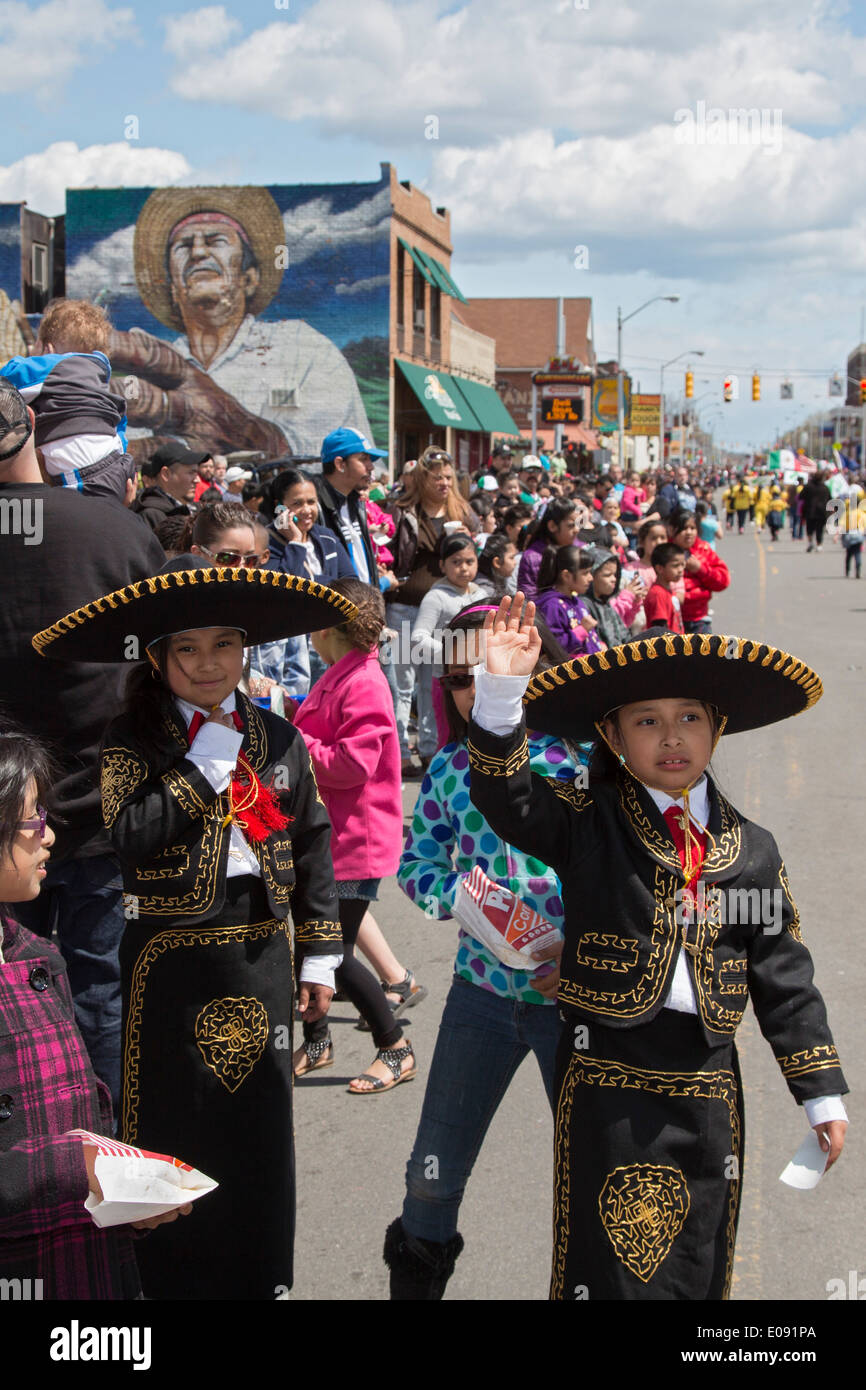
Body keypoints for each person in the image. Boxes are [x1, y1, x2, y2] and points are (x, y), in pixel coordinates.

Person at [468, 598, 847, 1301]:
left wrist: (818, 1091)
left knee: (698, 1256)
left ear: (717, 728)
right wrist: (498, 695)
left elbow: (782, 974)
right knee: (606, 1264)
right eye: (647, 721)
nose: (671, 737)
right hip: (607, 1074)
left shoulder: (750, 850)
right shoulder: (589, 822)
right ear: (612, 735)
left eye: (689, 718)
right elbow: (509, 798)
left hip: (708, 1082)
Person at [33, 556, 350, 1300]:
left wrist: (320, 959)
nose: (209, 665)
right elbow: (132, 834)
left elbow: (311, 843)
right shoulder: (127, 740)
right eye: (187, 649)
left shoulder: (279, 738)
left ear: (246, 651)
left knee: (259, 1132)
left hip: (262, 955)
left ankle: (261, 1280)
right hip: (167, 966)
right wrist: (204, 761)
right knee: (179, 1125)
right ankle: (165, 1285)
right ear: (158, 659)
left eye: (224, 646)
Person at [385, 605, 580, 1298]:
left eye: (487, 673)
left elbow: (624, 872)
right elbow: (417, 867)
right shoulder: (445, 769)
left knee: (595, 1171)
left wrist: (581, 950)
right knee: (431, 1173)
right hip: (482, 998)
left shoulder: (581, 757)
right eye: (460, 678)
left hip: (576, 1002)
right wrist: (464, 901)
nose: (474, 690)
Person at [0, 384, 164, 1113]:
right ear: (31, 425)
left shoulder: (112, 531)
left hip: (29, 812)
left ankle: (39, 1146)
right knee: (100, 989)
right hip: (98, 804)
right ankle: (109, 1146)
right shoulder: (114, 532)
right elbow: (168, 663)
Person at [0, 724, 195, 1299]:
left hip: (87, 1266)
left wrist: (122, 1177)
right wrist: (82, 1170)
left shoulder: (39, 956)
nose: (50, 838)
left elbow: (79, 1106)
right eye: (32, 818)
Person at [108, 186, 373, 458]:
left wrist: (251, 436)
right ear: (174, 289)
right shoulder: (154, 370)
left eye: (215, 241)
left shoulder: (303, 348)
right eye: (184, 245)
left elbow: (337, 460)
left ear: (250, 278)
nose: (197, 252)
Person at [291, 578, 418, 1092]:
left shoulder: (363, 680)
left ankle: (395, 1047)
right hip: (330, 838)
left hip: (354, 843)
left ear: (326, 628)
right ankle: (318, 1041)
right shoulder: (341, 673)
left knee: (332, 955)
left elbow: (354, 763)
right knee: (312, 945)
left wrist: (297, 746)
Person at [386, 447, 479, 777]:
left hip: (446, 613)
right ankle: (398, 752)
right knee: (401, 684)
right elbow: (388, 552)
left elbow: (472, 554)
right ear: (423, 478)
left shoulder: (462, 511)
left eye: (449, 477)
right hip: (404, 610)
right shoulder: (403, 511)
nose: (443, 482)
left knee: (433, 684)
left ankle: (429, 751)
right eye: (437, 476)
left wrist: (465, 539)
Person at [1, 299, 137, 506]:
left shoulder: (46, 367)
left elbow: (7, 379)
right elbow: (119, 426)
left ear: (46, 347)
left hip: (74, 475)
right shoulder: (99, 381)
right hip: (114, 469)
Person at [412, 532, 485, 753]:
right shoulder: (436, 597)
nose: (464, 568)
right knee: (450, 736)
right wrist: (452, 655)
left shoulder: (480, 593)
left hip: (481, 680)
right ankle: (446, 780)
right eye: (456, 562)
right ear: (442, 565)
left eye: (469, 561)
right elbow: (418, 637)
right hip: (448, 682)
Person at [666, 509, 730, 636]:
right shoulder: (664, 552)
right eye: (684, 528)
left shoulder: (703, 550)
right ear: (672, 529)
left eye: (692, 528)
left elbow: (723, 581)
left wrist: (701, 569)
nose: (689, 532)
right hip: (670, 620)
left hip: (699, 620)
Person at [534, 546, 601, 656]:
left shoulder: (577, 602)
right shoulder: (552, 606)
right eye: (585, 573)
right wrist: (582, 630)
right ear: (566, 575)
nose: (591, 578)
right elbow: (553, 647)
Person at [132, 441, 203, 532]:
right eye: (191, 473)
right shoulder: (151, 515)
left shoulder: (191, 509)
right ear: (166, 474)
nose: (197, 480)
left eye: (197, 473)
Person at [516, 499, 578, 600]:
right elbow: (529, 598)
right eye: (571, 525)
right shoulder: (532, 557)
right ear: (552, 526)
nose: (577, 530)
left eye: (578, 524)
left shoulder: (574, 549)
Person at [582, 548, 639, 648]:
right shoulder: (584, 605)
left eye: (615, 575)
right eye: (607, 575)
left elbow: (624, 635)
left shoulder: (606, 604)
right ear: (591, 576)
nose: (614, 579)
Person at [642, 542, 686, 633]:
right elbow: (660, 629)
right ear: (660, 569)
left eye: (682, 565)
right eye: (675, 566)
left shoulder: (668, 590)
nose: (681, 570)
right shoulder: (658, 594)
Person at [475, 532, 519, 599]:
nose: (515, 562)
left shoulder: (500, 581)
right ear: (497, 562)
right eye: (511, 558)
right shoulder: (486, 592)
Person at [800, 471, 832, 553]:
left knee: (809, 529)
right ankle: (819, 545)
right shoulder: (825, 488)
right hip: (822, 512)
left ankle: (810, 543)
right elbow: (830, 499)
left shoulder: (808, 487)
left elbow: (801, 496)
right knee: (820, 530)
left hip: (810, 511)